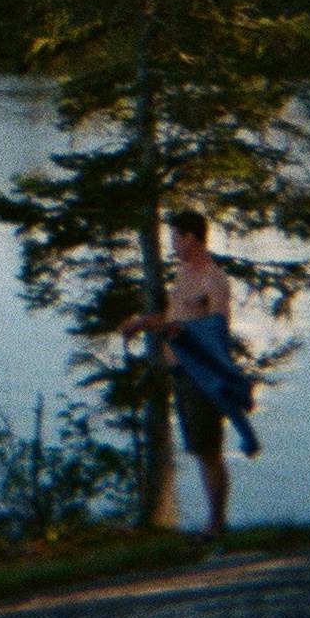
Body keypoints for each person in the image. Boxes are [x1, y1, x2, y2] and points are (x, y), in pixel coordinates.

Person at [119, 210, 241, 536]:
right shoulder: (184, 274)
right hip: (181, 371)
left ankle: (216, 524)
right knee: (200, 448)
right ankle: (214, 522)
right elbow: (175, 315)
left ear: (191, 237)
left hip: (203, 373)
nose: (172, 243)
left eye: (175, 236)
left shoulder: (213, 278)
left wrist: (182, 331)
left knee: (208, 449)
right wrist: (142, 323)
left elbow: (217, 327)